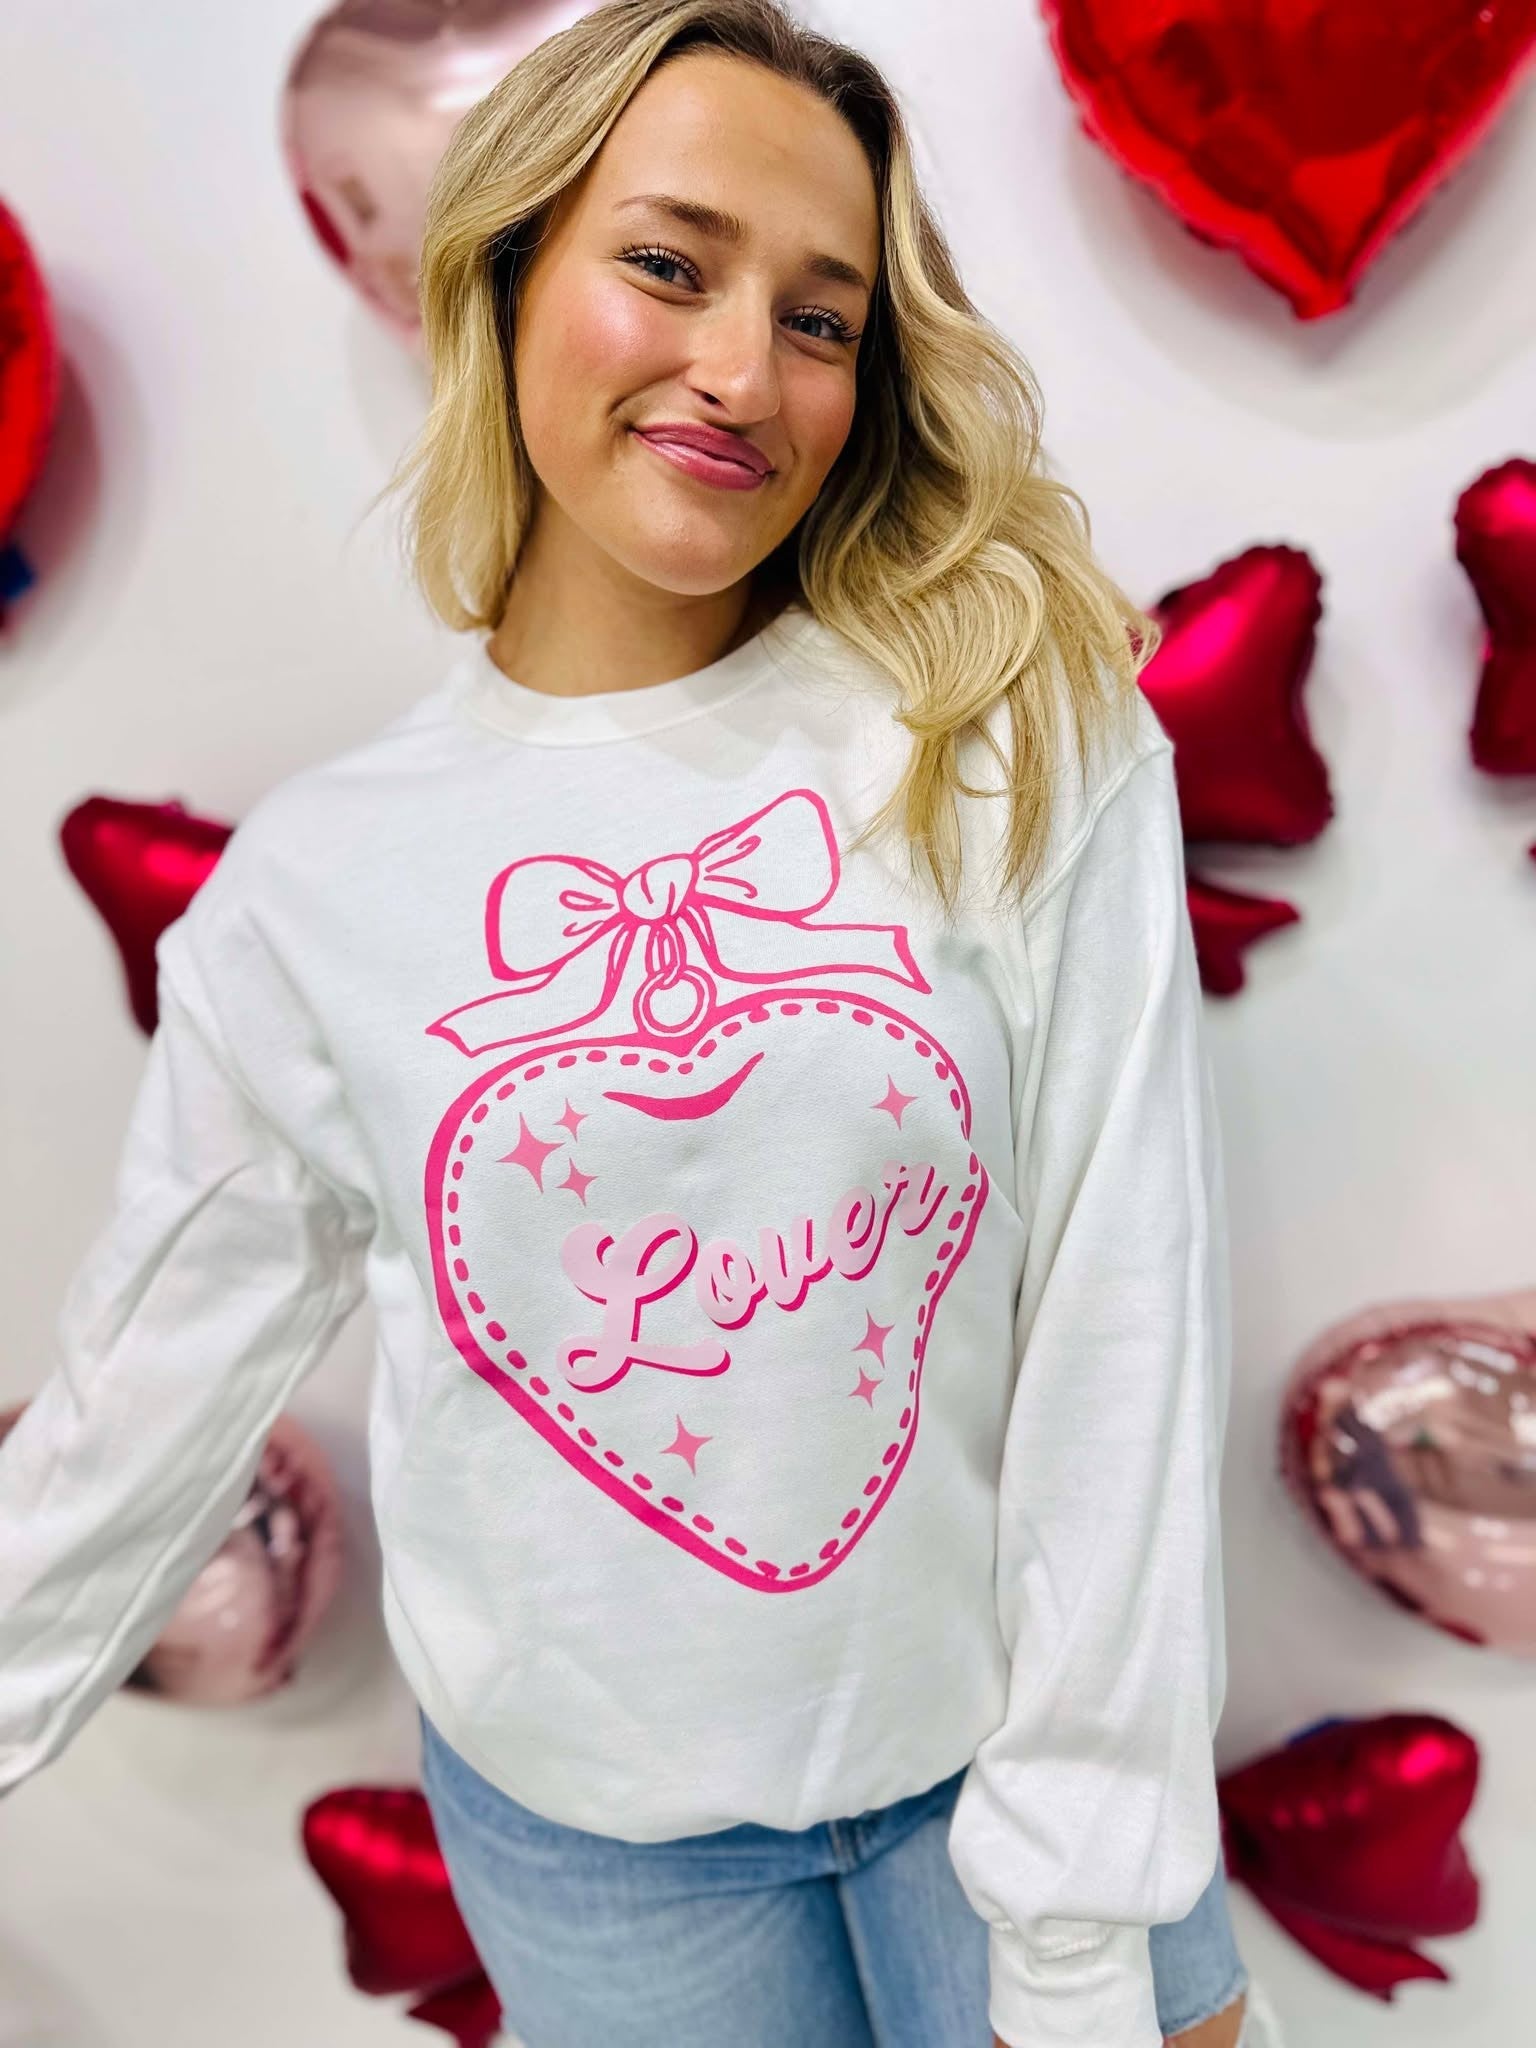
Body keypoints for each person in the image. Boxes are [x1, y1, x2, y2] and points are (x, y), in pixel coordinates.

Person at [0, 3, 1277, 2043]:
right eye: (671, 264)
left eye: (822, 318)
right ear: (506, 274)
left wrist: (1081, 1921)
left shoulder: (1004, 726)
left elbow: (1122, 1326)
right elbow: (135, 1413)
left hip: (1004, 1773)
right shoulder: (318, 886)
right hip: (589, 1862)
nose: (743, 371)